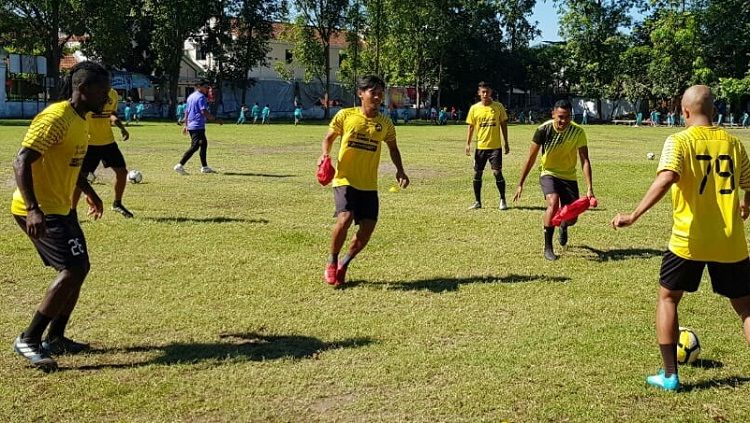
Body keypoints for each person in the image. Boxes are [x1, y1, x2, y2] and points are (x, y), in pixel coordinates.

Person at [611, 85, 750, 391]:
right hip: (730, 241)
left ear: (685, 112)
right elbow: (748, 181)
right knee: (746, 309)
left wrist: (633, 215)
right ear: (713, 111)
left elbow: (666, 178)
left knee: (668, 298)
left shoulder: (679, 140)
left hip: (688, 240)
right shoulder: (734, 144)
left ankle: (670, 375)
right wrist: (746, 202)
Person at [10, 61, 110, 372]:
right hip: (40, 210)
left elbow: (72, 164)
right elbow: (21, 161)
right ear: (83, 89)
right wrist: (33, 209)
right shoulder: (56, 117)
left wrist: (90, 193)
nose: (107, 98)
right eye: (102, 91)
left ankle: (56, 337)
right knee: (71, 269)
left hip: (62, 207)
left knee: (80, 268)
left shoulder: (82, 120)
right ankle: (29, 339)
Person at [318, 74, 409, 287]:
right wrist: (325, 155)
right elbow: (328, 139)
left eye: (380, 93)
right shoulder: (345, 115)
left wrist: (400, 170)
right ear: (361, 94)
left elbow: (393, 148)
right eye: (372, 92)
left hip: (368, 184)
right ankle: (331, 263)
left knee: (367, 230)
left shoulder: (385, 123)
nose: (377, 96)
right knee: (345, 218)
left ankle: (344, 264)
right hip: (345, 179)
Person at [512, 99, 595, 261]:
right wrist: (520, 183)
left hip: (569, 176)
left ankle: (563, 225)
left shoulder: (578, 132)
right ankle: (548, 247)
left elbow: (585, 160)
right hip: (548, 172)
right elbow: (531, 157)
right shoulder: (543, 130)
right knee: (553, 202)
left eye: (567, 117)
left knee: (572, 218)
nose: (563, 121)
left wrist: (590, 187)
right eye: (560, 117)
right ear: (553, 114)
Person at [71, 88, 133, 218]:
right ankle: (71, 212)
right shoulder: (86, 93)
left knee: (122, 172)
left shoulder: (113, 94)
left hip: (108, 142)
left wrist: (120, 125)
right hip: (89, 143)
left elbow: (110, 113)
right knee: (80, 178)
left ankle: (117, 203)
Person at [465, 81, 510, 210]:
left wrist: (506, 142)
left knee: (497, 173)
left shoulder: (498, 107)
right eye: (483, 92)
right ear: (479, 93)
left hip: (495, 147)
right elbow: (471, 126)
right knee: (477, 174)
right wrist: (467, 144)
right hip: (480, 147)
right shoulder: (474, 108)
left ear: (491, 92)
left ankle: (502, 200)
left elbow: (503, 124)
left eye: (487, 92)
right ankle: (477, 202)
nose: (485, 94)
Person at [174, 79, 221, 175]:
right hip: (197, 125)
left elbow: (187, 112)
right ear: (199, 87)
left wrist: (186, 124)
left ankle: (205, 167)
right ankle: (179, 165)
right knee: (195, 146)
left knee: (203, 144)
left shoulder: (191, 96)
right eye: (205, 87)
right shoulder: (201, 97)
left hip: (193, 125)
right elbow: (204, 111)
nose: (207, 88)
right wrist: (215, 119)